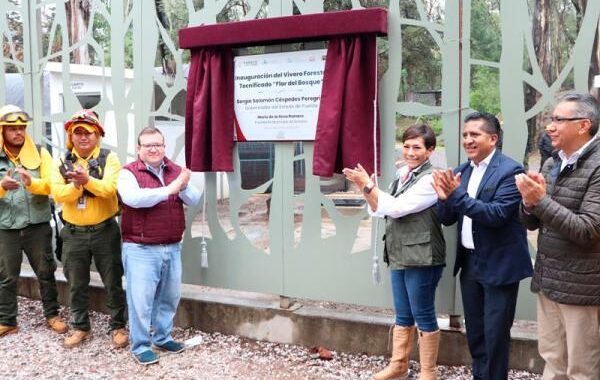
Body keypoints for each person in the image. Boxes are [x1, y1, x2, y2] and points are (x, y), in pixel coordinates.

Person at [432, 112, 533, 380]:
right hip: (470, 265)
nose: (468, 140)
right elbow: (447, 217)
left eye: (474, 134)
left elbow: (496, 215)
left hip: (500, 266)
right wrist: (444, 200)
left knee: (495, 336)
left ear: (493, 138)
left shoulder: (511, 171)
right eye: (465, 135)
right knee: (476, 333)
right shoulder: (461, 171)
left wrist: (456, 196)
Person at [343, 124, 445, 380]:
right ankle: (399, 365)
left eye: (417, 147)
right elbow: (379, 209)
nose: (410, 152)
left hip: (423, 256)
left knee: (423, 313)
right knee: (402, 312)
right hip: (399, 251)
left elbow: (398, 207)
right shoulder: (401, 174)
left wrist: (368, 186)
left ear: (430, 150)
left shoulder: (432, 178)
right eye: (407, 146)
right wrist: (366, 190)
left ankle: (428, 372)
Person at [515, 92, 600, 379]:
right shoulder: (553, 162)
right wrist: (528, 202)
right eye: (551, 119)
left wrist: (540, 201)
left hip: (582, 288)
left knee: (582, 369)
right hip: (549, 280)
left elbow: (589, 230)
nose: (549, 126)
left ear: (583, 125)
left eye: (558, 120)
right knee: (552, 360)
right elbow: (532, 223)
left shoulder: (598, 165)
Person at [118, 127, 200, 365]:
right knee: (141, 301)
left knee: (169, 298)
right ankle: (141, 345)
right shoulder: (128, 172)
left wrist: (183, 185)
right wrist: (172, 188)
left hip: (172, 246)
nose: (154, 149)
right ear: (138, 149)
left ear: (164, 147)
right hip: (140, 248)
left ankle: (163, 337)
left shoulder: (175, 170)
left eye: (158, 144)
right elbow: (134, 199)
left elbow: (194, 199)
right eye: (148, 145)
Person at [51, 109, 127, 349]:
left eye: (89, 133)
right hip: (73, 234)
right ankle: (81, 327)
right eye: (78, 132)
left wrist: (86, 181)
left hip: (105, 230)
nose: (83, 137)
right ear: (71, 136)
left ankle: (117, 326)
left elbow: (110, 189)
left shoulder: (109, 159)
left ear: (98, 135)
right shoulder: (62, 162)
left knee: (113, 280)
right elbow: (58, 194)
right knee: (76, 283)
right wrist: (76, 187)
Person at [0, 105, 68, 337]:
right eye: (12, 129)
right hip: (5, 227)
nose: (18, 133)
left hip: (37, 226)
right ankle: (8, 320)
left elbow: (52, 184)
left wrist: (32, 183)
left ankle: (52, 315)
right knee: (6, 276)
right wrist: (1, 187)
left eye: (22, 128)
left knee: (45, 272)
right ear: (2, 130)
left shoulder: (40, 153)